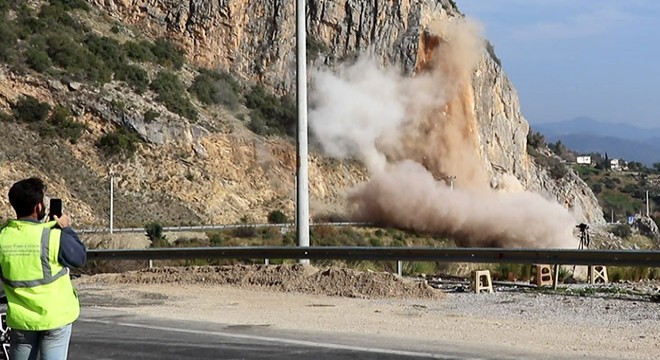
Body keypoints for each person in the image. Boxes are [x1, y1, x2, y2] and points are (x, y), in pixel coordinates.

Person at [0, 177, 86, 360]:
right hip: (55, 319)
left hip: (21, 321)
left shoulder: (3, 237)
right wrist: (66, 229)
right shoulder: (52, 236)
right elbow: (79, 257)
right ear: (39, 207)